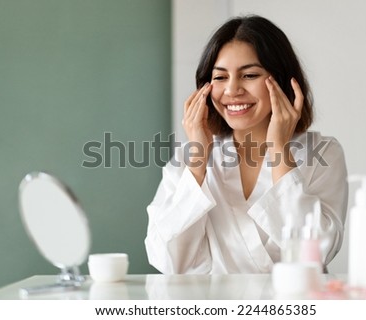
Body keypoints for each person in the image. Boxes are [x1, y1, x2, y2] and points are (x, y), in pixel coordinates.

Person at [145, 15, 348, 274]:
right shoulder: (189, 159)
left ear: (284, 81)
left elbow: (319, 251)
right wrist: (197, 164)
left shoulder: (324, 153)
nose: (232, 90)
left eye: (249, 75)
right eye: (220, 78)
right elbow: (167, 261)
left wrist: (279, 151)